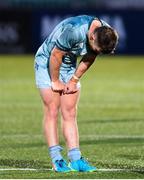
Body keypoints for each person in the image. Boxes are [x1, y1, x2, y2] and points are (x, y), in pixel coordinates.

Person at [34, 15, 118, 172]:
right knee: (52, 110)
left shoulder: (105, 33)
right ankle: (57, 160)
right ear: (92, 36)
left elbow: (90, 56)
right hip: (47, 61)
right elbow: (55, 55)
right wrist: (55, 81)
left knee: (70, 112)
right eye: (96, 48)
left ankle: (75, 159)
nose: (96, 52)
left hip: (68, 64)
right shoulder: (73, 31)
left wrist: (73, 80)